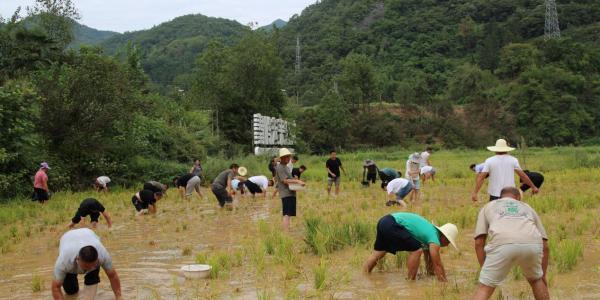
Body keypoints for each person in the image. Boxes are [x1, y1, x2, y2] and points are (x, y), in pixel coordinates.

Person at [473, 187, 549, 300]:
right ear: (518, 197)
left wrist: (484, 268)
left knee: (485, 287)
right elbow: (545, 244)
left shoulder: (489, 206)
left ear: (500, 197)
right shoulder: (527, 207)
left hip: (502, 243)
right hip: (532, 243)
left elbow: (479, 242)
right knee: (536, 280)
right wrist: (542, 275)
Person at [363, 212, 458, 282]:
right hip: (393, 224)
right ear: (444, 237)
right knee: (417, 250)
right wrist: (444, 283)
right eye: (449, 242)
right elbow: (437, 264)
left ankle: (364, 276)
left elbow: (429, 260)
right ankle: (410, 281)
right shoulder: (434, 238)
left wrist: (430, 273)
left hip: (384, 221)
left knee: (378, 253)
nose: (448, 245)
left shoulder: (429, 233)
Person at [52, 228, 121, 300]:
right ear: (78, 259)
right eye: (86, 266)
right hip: (67, 238)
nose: (90, 269)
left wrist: (119, 297)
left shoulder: (102, 255)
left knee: (92, 276)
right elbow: (56, 287)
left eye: (93, 265)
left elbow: (113, 275)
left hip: (88, 233)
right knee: (71, 291)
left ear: (97, 259)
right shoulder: (64, 261)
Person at [472, 139, 539, 202]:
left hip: (495, 194)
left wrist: (475, 193)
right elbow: (523, 175)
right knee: (511, 213)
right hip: (510, 194)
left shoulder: (489, 161)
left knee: (495, 213)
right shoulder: (513, 160)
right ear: (507, 149)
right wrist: (533, 187)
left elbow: (481, 177)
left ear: (495, 150)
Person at [276, 148, 305, 230]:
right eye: (287, 157)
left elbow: (290, 179)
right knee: (286, 214)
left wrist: (297, 182)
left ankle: (288, 230)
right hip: (286, 193)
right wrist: (297, 181)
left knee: (289, 214)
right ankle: (286, 233)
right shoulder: (280, 167)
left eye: (289, 157)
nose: (288, 159)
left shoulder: (286, 167)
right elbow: (285, 180)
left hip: (290, 192)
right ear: (282, 158)